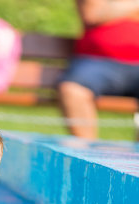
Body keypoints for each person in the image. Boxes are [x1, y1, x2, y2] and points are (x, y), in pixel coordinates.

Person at [58, 0, 139, 139]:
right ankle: (86, 154)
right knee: (73, 90)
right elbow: (92, 13)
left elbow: (103, 12)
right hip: (97, 63)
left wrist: (113, 9)